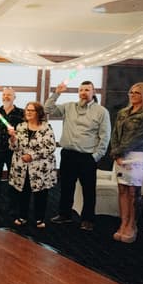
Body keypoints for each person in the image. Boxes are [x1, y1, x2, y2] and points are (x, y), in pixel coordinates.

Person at [44, 80, 111, 231]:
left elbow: (105, 136)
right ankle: (65, 214)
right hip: (68, 154)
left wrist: (96, 156)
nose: (83, 92)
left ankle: (87, 219)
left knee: (88, 190)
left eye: (87, 90)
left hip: (87, 157)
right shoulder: (69, 107)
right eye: (81, 90)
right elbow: (48, 109)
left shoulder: (101, 112)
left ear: (93, 92)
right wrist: (57, 92)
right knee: (66, 187)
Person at [110, 82, 143, 243]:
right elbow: (115, 133)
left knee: (133, 192)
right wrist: (116, 153)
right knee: (122, 189)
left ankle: (132, 225)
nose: (132, 95)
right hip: (120, 156)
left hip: (136, 155)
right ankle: (123, 223)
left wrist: (118, 152)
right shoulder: (123, 112)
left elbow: (140, 137)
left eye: (136, 93)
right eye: (131, 92)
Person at [8, 102, 57, 228]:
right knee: (23, 191)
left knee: (41, 193)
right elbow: (14, 147)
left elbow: (51, 147)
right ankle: (22, 216)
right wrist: (13, 138)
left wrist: (32, 156)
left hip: (40, 168)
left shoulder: (46, 128)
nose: (28, 112)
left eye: (32, 110)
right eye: (27, 110)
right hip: (22, 167)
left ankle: (39, 219)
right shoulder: (20, 126)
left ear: (38, 113)